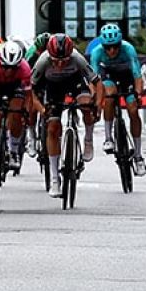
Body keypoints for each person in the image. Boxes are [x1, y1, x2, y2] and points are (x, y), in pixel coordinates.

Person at [31, 33, 102, 198]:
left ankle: (88, 140)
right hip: (52, 87)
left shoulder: (77, 58)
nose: (61, 64)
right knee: (53, 128)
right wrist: (41, 109)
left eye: (65, 60)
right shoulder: (42, 61)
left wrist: (97, 105)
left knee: (86, 104)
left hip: (74, 81)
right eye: (56, 61)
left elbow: (97, 83)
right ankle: (55, 179)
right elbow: (31, 92)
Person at [90, 23, 146, 176]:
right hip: (107, 75)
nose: (112, 51)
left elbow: (137, 75)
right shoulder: (97, 53)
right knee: (109, 95)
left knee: (133, 110)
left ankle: (138, 155)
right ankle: (108, 138)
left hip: (126, 75)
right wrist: (96, 99)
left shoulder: (128, 49)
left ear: (120, 43)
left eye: (115, 46)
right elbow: (94, 81)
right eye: (108, 47)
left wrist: (138, 94)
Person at [0, 40, 32, 175]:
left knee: (17, 112)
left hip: (14, 88)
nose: (9, 71)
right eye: (5, 67)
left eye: (13, 68)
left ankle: (13, 150)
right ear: (0, 62)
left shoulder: (24, 68)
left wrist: (26, 112)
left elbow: (28, 95)